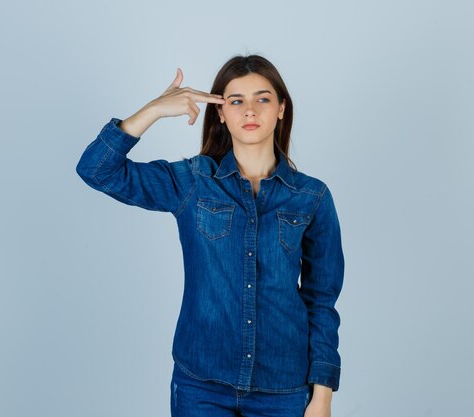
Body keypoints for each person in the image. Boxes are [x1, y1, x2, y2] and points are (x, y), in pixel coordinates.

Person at [76, 54, 344, 417]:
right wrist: (153, 110)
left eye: (263, 98)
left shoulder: (312, 197)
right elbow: (96, 169)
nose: (250, 110)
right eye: (236, 101)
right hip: (200, 386)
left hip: (283, 387)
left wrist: (322, 396)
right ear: (220, 113)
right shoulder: (192, 182)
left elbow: (321, 301)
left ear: (281, 108)